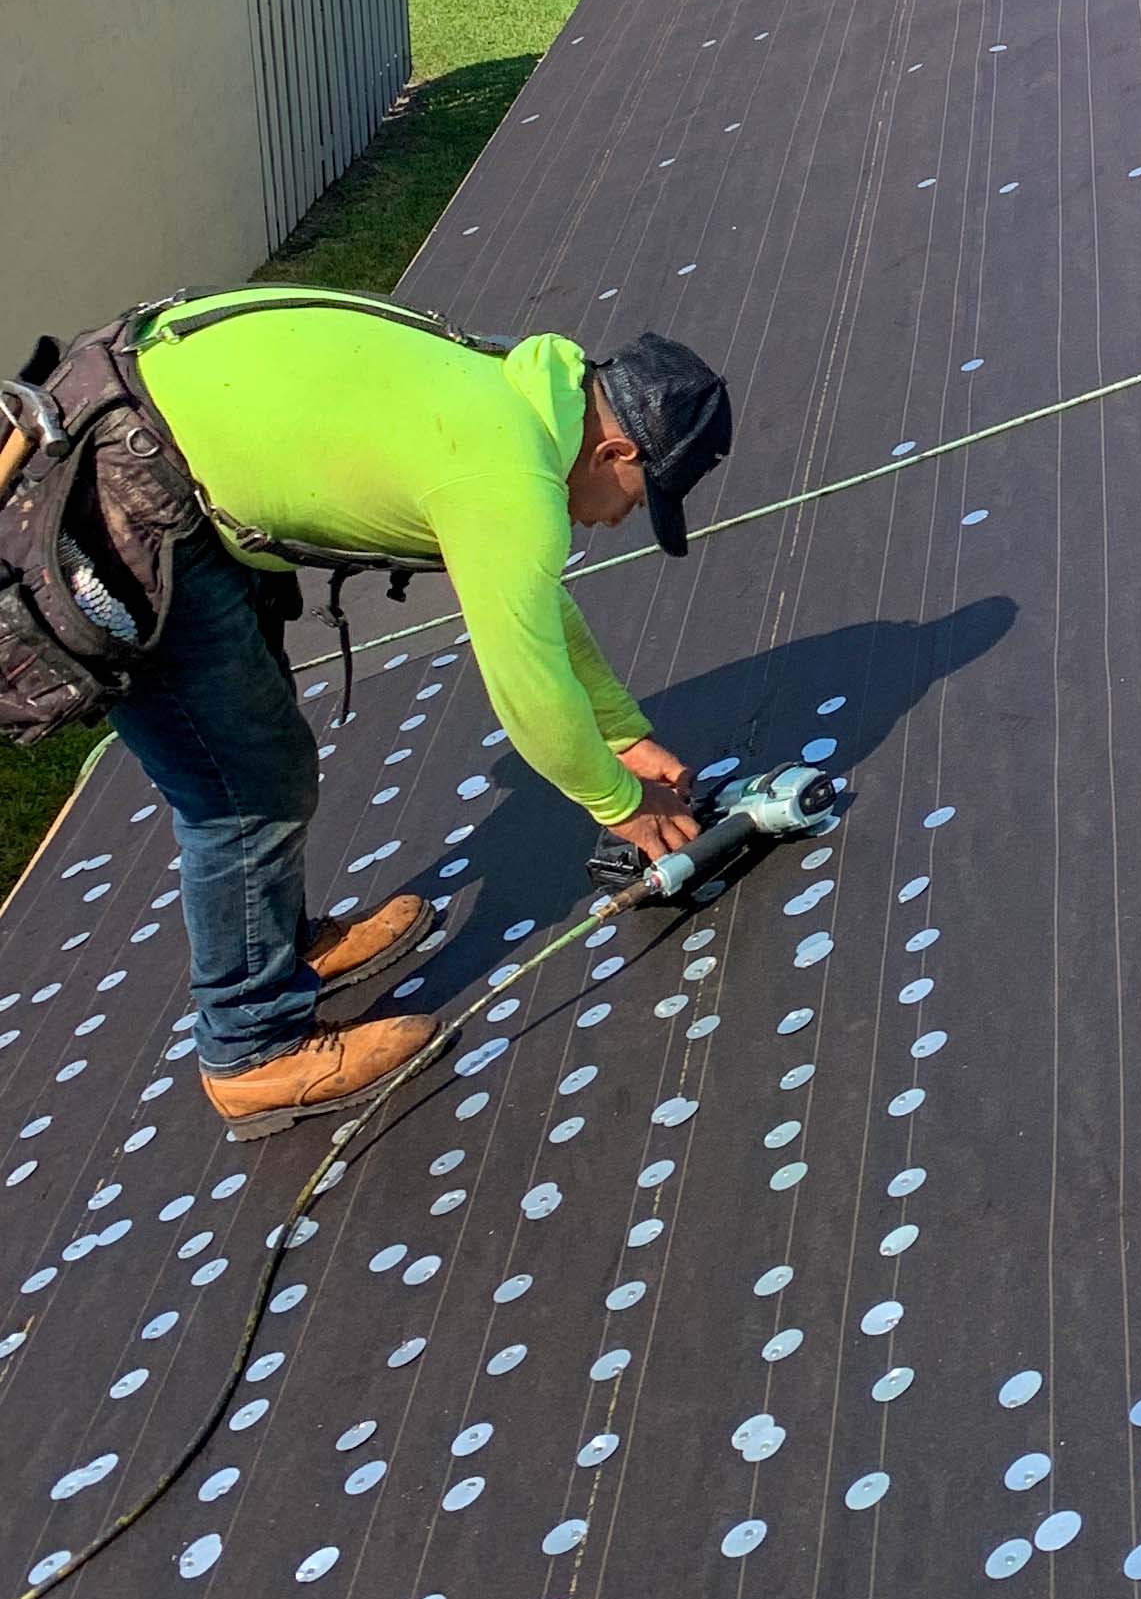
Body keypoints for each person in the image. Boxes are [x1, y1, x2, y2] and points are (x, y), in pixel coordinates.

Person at [110, 294, 733, 1138]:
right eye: (639, 495)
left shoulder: (516, 385)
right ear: (616, 446)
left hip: (163, 437)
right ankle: (249, 1051)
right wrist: (622, 807)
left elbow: (531, 602)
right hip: (128, 511)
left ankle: (277, 951)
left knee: (261, 750)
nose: (624, 517)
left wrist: (622, 731)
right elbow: (529, 693)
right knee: (245, 787)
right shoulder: (509, 475)